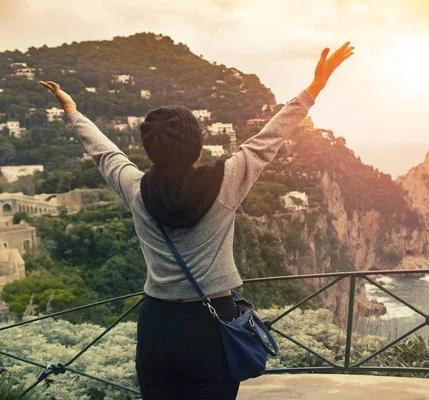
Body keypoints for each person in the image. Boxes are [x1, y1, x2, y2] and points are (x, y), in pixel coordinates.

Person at [39, 41, 354, 399]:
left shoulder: (135, 188)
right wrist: (315, 87)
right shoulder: (227, 182)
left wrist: (72, 111)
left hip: (156, 324)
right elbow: (269, 137)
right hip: (213, 325)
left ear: (149, 149)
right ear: (198, 147)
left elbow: (105, 153)